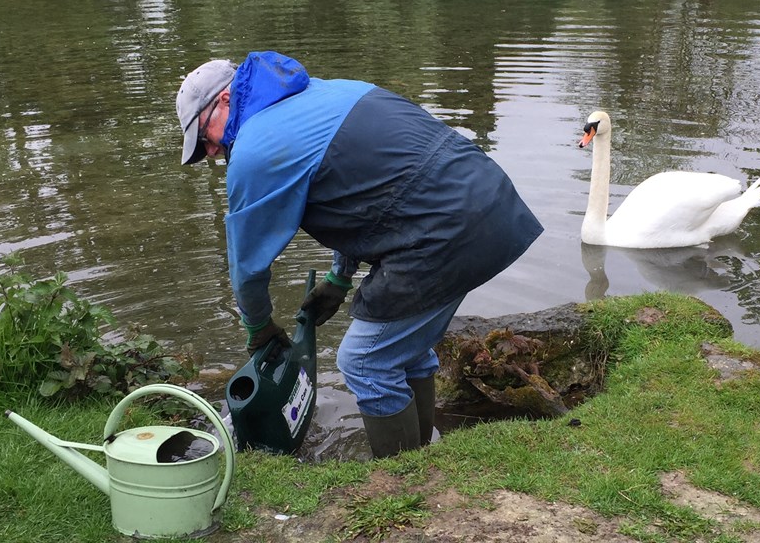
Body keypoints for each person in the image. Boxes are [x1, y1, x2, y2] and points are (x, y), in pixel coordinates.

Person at [175, 51, 543, 458]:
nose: (210, 152)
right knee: (405, 347)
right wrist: (339, 278)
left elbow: (247, 266)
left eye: (205, 137)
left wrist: (258, 327)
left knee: (364, 361)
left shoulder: (254, 148)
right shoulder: (332, 92)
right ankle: (426, 459)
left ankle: (400, 481)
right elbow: (365, 196)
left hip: (442, 232)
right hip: (490, 202)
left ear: (224, 100)